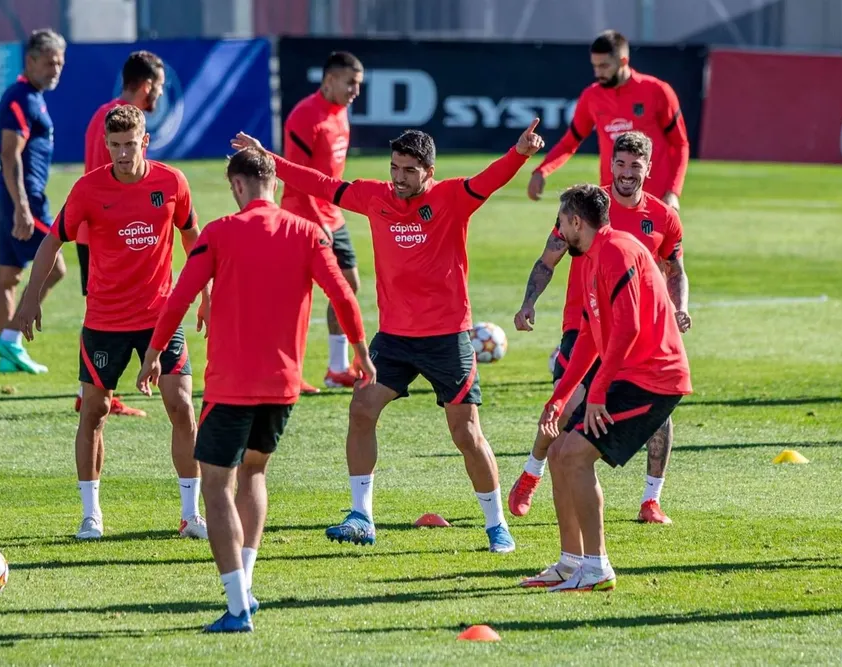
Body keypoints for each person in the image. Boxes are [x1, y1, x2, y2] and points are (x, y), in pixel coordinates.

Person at [231, 119, 546, 554]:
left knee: (466, 434)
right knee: (361, 409)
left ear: (429, 173)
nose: (398, 178)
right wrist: (272, 160)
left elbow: (489, 180)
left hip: (447, 337)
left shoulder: (452, 197)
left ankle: (496, 526)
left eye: (409, 171)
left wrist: (520, 154)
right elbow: (322, 184)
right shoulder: (374, 195)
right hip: (395, 338)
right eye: (394, 168)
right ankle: (361, 516)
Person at [135, 147, 374, 633]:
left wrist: (154, 351)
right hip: (284, 386)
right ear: (272, 183)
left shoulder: (221, 233)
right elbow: (343, 295)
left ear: (238, 186)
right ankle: (246, 582)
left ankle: (238, 605)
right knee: (255, 473)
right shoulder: (308, 232)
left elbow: (181, 294)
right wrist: (361, 352)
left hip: (231, 385)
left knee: (218, 486)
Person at [14, 105, 208, 541]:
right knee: (95, 412)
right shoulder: (88, 189)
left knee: (182, 407)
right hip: (105, 320)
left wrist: (205, 297)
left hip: (161, 316)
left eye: (130, 144)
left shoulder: (172, 182)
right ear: (107, 144)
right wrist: (30, 299)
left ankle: (190, 515)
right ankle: (91, 515)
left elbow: (195, 239)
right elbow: (52, 241)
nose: (123, 154)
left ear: (145, 141)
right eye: (115, 145)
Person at [510, 131, 691, 525]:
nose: (627, 172)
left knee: (658, 415)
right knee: (567, 406)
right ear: (611, 165)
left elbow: (675, 270)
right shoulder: (588, 209)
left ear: (648, 168)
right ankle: (532, 472)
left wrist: (680, 309)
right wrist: (529, 302)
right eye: (620, 163)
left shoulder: (663, 217)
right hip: (584, 324)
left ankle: (650, 500)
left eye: (635, 165)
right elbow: (547, 261)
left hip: (634, 334)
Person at [527, 184, 691, 592]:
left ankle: (597, 567)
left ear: (576, 222)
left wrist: (597, 393)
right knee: (563, 450)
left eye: (562, 223)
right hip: (631, 374)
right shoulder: (596, 256)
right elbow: (587, 335)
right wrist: (559, 396)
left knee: (576, 457)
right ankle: (570, 562)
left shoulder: (616, 252)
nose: (559, 232)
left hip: (654, 379)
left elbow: (628, 330)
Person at [73, 50, 167, 418]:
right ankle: (95, 391)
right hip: (105, 234)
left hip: (100, 232)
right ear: (145, 85)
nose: (159, 93)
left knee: (103, 313)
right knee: (104, 315)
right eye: (157, 86)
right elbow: (105, 184)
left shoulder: (106, 115)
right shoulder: (119, 122)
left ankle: (94, 391)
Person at [527, 30, 689, 211]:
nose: (598, 72)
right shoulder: (591, 96)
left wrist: (673, 192)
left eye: (604, 66)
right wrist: (542, 170)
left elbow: (680, 144)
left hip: (656, 202)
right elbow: (569, 143)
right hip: (612, 202)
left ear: (623, 61)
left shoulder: (658, 91)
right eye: (595, 66)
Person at [281, 51, 365, 393]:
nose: (355, 91)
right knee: (296, 297)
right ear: (329, 80)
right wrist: (318, 222)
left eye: (358, 84)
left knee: (349, 285)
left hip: (332, 215)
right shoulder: (305, 116)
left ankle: (336, 368)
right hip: (302, 215)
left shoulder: (341, 111)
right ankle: (288, 372)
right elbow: (298, 178)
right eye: (351, 83)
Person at [0, 29, 67, 375]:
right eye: (50, 62)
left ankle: (9, 356)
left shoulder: (32, 96)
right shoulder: (20, 97)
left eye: (60, 63)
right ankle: (10, 338)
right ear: (31, 60)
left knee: (9, 275)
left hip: (16, 195)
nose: (56, 69)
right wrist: (22, 207)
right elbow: (10, 154)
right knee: (55, 268)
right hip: (24, 197)